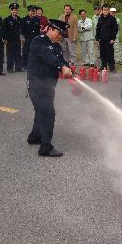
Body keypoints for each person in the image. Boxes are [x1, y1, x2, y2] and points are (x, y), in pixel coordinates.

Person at [27, 19, 72, 157]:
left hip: (49, 86)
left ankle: (34, 137)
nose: (60, 37)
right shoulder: (38, 41)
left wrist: (69, 69)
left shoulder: (56, 46)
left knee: (40, 110)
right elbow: (49, 57)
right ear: (50, 29)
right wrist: (62, 67)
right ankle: (45, 148)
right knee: (48, 114)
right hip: (37, 85)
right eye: (59, 33)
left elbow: (61, 60)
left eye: (62, 35)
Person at [95, 4, 118, 72]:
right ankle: (104, 65)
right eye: (104, 10)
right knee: (102, 53)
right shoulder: (100, 18)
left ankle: (112, 67)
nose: (106, 11)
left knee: (110, 54)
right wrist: (97, 38)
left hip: (109, 40)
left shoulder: (112, 19)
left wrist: (113, 39)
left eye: (107, 10)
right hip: (102, 39)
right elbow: (98, 29)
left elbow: (115, 30)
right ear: (102, 10)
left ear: (109, 10)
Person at [3, 2, 23, 73]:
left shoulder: (20, 19)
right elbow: (4, 30)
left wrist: (22, 37)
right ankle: (10, 68)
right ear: (11, 11)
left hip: (17, 39)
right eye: (14, 10)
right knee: (10, 54)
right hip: (10, 40)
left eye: (16, 10)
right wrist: (5, 39)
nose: (15, 11)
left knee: (18, 53)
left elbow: (22, 29)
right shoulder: (6, 20)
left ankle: (18, 68)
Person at [21, 5, 40, 70]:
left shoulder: (37, 19)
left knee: (35, 52)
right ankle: (25, 65)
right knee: (26, 52)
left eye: (34, 11)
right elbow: (22, 29)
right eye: (32, 11)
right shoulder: (24, 19)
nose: (33, 12)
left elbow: (38, 29)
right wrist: (23, 37)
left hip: (35, 38)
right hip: (27, 38)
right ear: (28, 11)